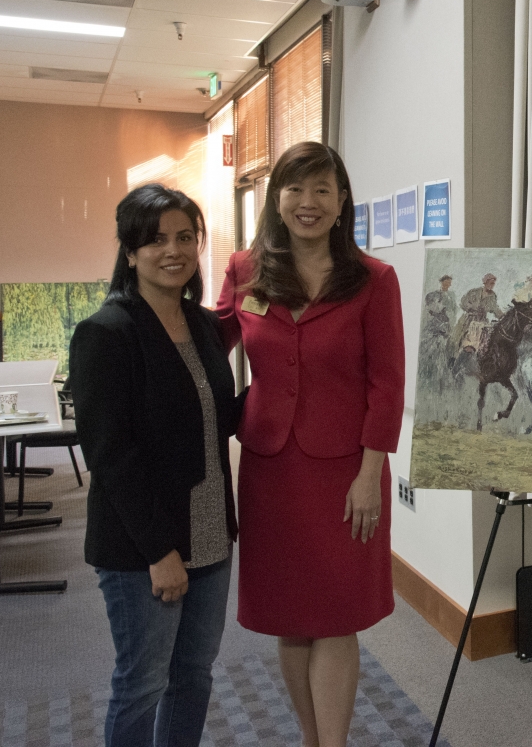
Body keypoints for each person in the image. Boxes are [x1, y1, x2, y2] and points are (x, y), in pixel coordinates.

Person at [216, 142, 405, 747]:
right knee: (290, 618)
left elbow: (388, 384)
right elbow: (203, 344)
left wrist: (370, 474)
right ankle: (309, 736)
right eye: (295, 189)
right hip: (271, 470)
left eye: (323, 189)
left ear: (342, 201)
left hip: (347, 472)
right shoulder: (245, 271)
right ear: (276, 197)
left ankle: (335, 743)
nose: (308, 202)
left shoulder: (374, 280)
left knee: (336, 617)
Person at [70, 184, 240, 747]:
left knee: (193, 676)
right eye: (157, 239)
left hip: (212, 532)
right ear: (130, 250)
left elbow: (217, 416)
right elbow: (110, 456)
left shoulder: (205, 326)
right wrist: (160, 554)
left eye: (186, 237)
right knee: (142, 684)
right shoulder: (107, 332)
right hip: (145, 547)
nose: (174, 250)